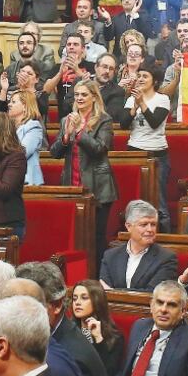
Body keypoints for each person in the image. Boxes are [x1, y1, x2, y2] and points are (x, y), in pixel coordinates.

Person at [50, 79, 118, 259]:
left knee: (95, 237)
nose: (79, 98)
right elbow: (54, 153)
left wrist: (80, 131)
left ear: (94, 97)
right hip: (71, 185)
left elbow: (99, 149)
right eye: (77, 94)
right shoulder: (67, 119)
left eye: (84, 94)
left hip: (98, 188)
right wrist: (65, 136)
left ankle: (96, 277)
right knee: (74, 236)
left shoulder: (104, 120)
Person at [116, 280, 188, 376]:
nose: (164, 309)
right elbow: (123, 372)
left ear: (183, 311)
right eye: (159, 303)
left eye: (172, 305)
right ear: (151, 305)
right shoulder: (139, 326)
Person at [121, 65, 171, 230]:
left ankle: (165, 236)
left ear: (154, 81)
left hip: (157, 155)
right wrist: (134, 106)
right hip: (134, 151)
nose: (140, 79)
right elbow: (123, 124)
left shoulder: (162, 99)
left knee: (158, 200)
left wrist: (142, 103)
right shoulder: (131, 99)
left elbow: (155, 123)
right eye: (139, 76)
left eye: (145, 76)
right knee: (135, 197)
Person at [99, 199, 177, 292]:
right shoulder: (110, 256)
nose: (150, 229)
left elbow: (153, 294)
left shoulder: (166, 258)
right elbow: (103, 292)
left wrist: (113, 291)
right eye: (144, 225)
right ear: (128, 226)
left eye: (153, 224)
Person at [71, 280, 124, 376]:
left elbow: (108, 373)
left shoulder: (114, 337)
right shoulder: (68, 329)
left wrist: (99, 339)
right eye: (74, 299)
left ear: (97, 301)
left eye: (84, 298)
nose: (77, 303)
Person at [6, 90, 44, 186]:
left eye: (13, 102)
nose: (9, 105)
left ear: (25, 106)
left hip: (27, 180)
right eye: (10, 102)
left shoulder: (33, 126)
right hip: (7, 179)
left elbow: (23, 152)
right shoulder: (8, 127)